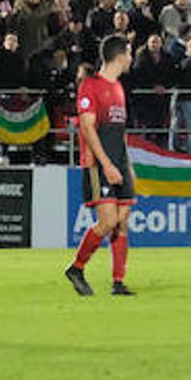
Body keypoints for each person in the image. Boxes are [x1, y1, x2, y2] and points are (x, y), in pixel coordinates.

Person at [64, 35, 137, 297]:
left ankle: (118, 282)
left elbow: (120, 130)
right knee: (107, 221)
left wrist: (127, 165)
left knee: (122, 220)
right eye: (129, 53)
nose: (131, 58)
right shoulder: (90, 85)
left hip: (120, 161)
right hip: (98, 164)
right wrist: (106, 164)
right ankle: (77, 267)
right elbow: (87, 127)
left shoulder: (118, 88)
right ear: (119, 57)